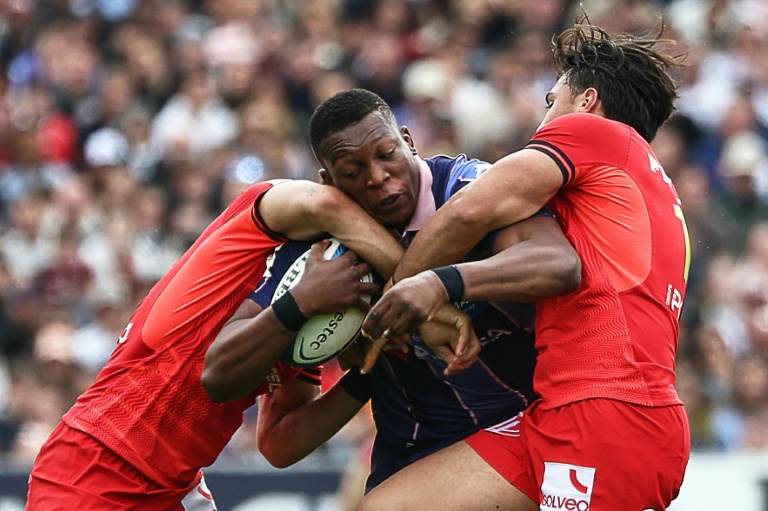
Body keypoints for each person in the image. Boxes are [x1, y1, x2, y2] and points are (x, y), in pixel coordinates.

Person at [357, 18, 691, 511]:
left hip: (605, 414)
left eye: (551, 103)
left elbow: (471, 209)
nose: (542, 123)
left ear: (587, 102)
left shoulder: (593, 134)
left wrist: (401, 294)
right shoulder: (649, 183)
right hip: (559, 411)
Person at [201, 88, 581, 495]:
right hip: (413, 455)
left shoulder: (467, 187)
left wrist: (438, 285)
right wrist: (336, 342)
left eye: (387, 154)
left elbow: (559, 264)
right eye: (352, 171)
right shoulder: (317, 255)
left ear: (408, 140)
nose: (378, 177)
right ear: (329, 182)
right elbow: (250, 411)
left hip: (524, 426)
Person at [25, 178, 418, 510]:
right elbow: (323, 201)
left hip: (177, 488)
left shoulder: (309, 328)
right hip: (96, 461)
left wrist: (368, 370)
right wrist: (423, 289)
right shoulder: (249, 239)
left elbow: (278, 444)